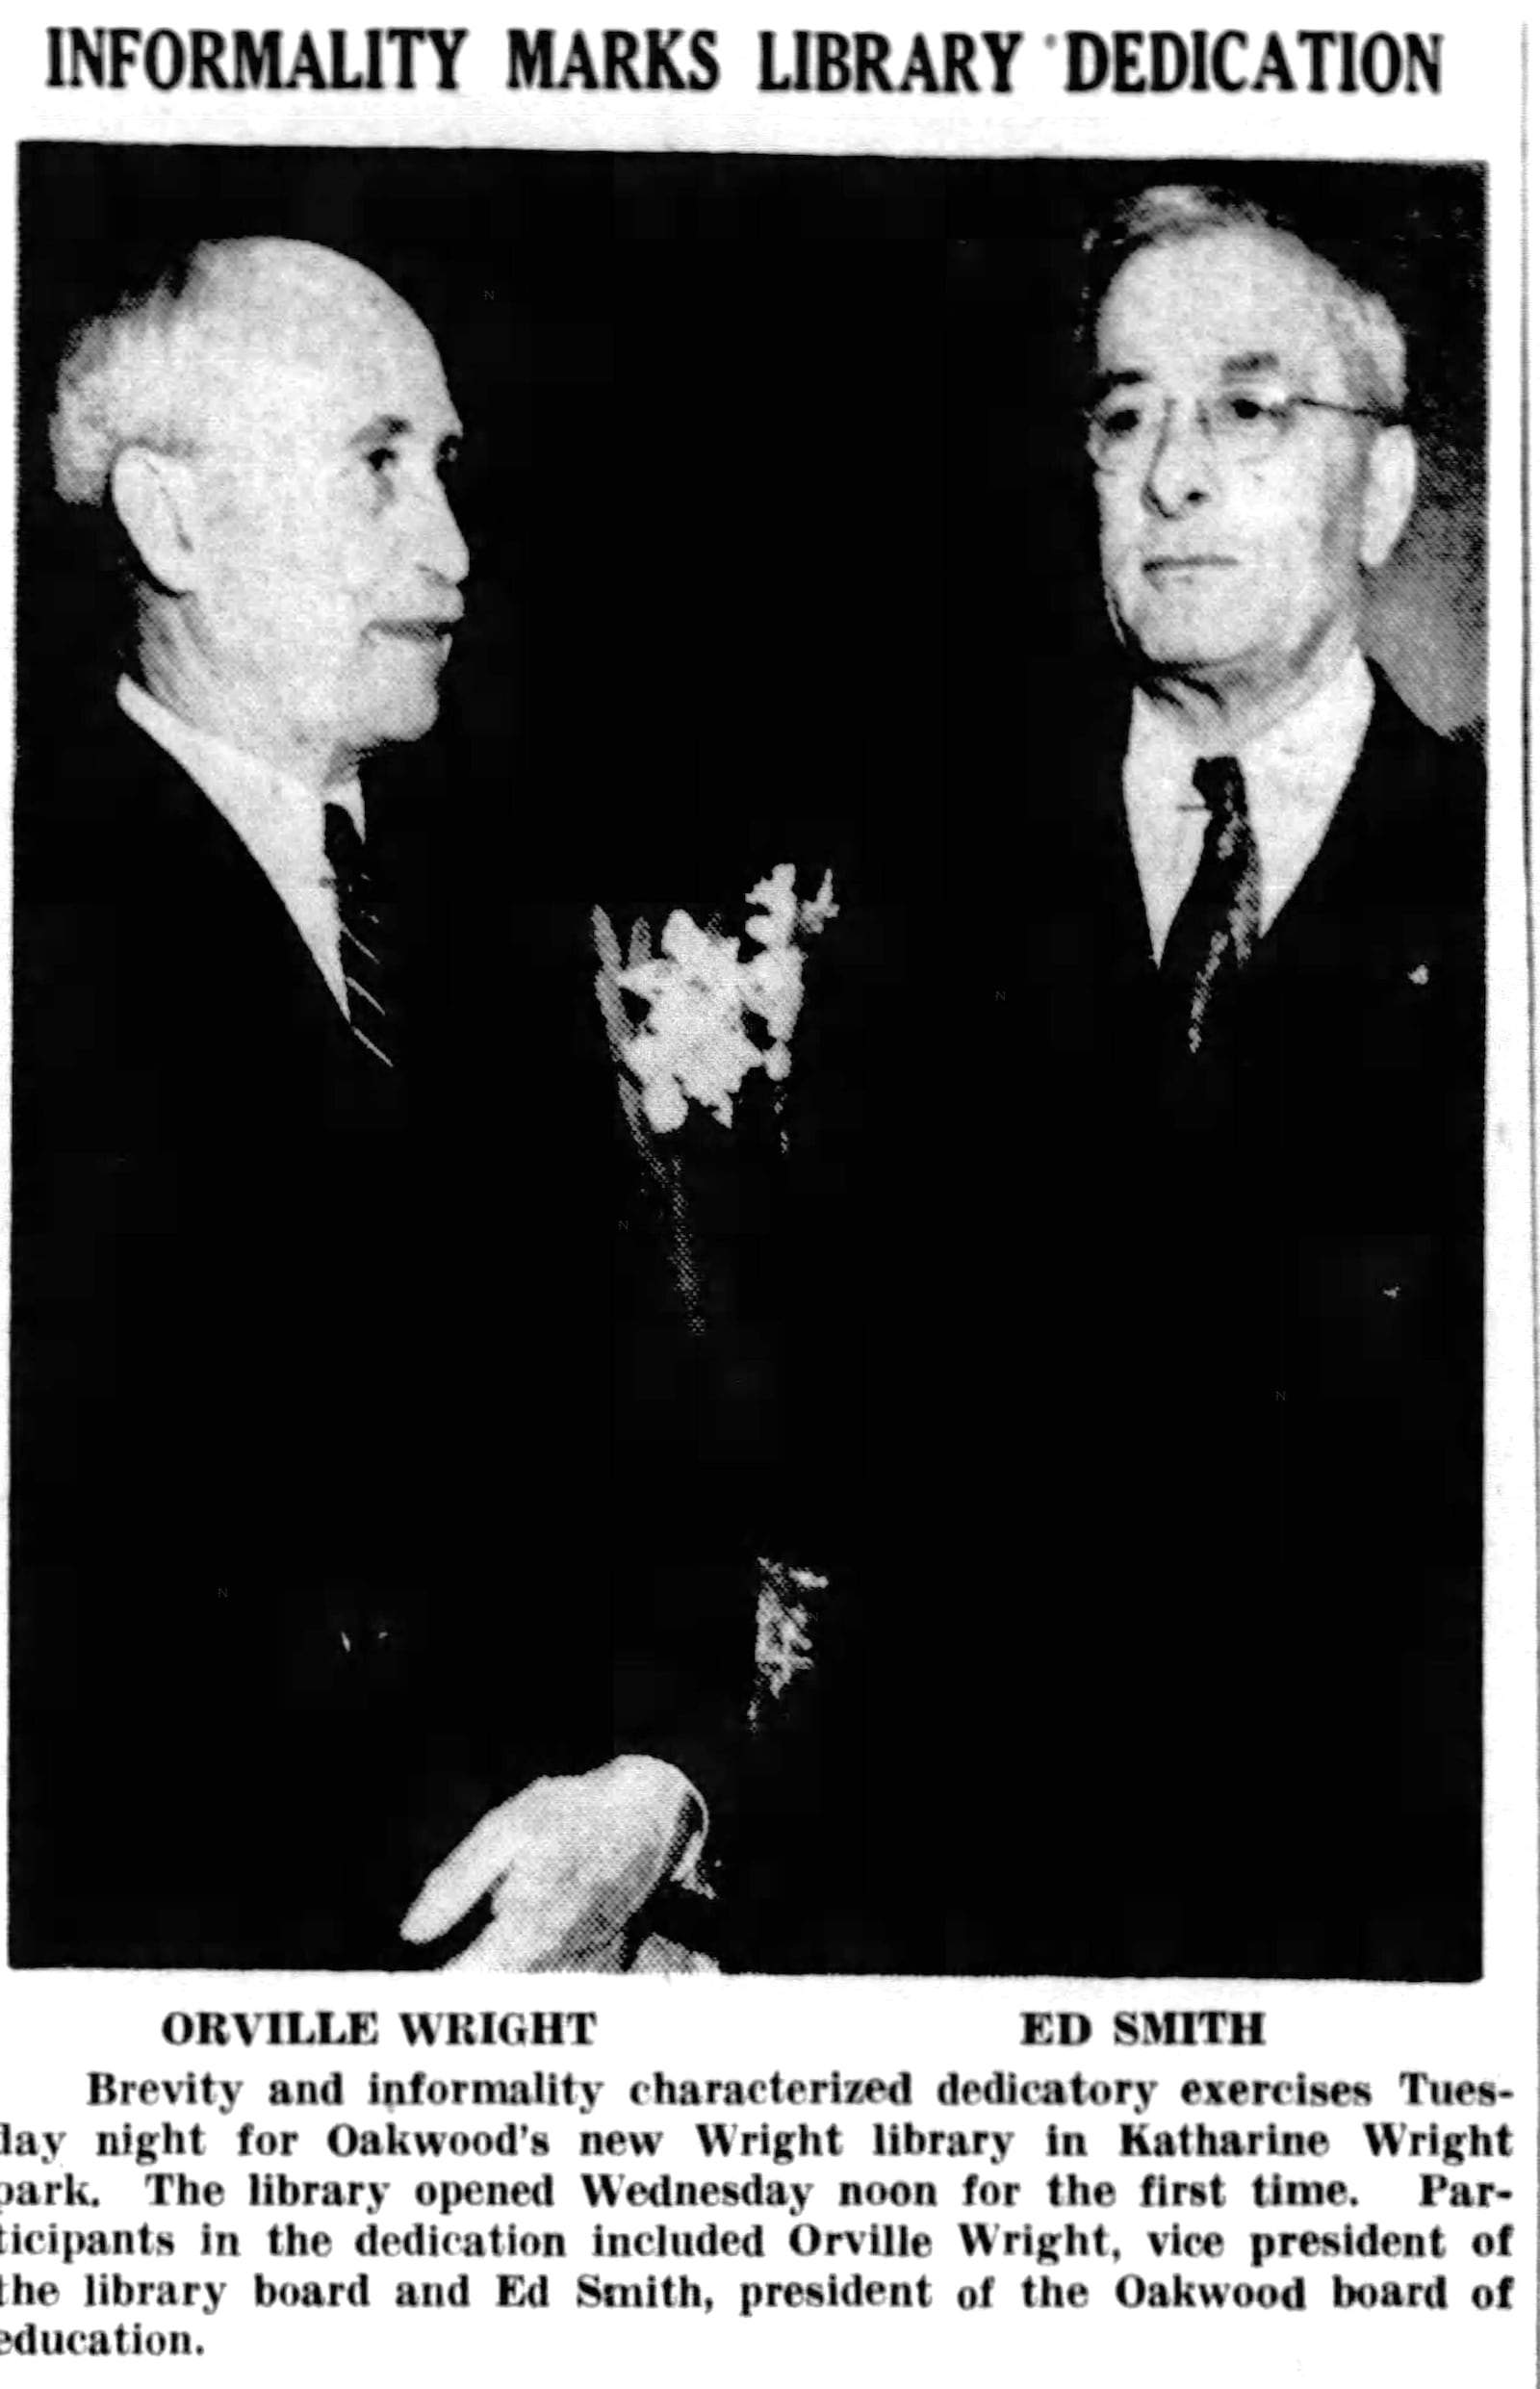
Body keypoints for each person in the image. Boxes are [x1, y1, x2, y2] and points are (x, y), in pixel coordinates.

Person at [734, 183, 1482, 1978]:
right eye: (1126, 411)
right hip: (944, 1918)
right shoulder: (932, 885)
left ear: (1381, 488)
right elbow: (837, 1430)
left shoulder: (1495, 886)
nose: (1172, 475)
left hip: (1363, 1937)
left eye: (1248, 407)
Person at [13, 238, 743, 1967]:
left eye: (446, 471)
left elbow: (667, 1424)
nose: (453, 549)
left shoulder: (480, 918)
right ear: (172, 524)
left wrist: (652, 1793)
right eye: (377, 466)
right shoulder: (34, 935)